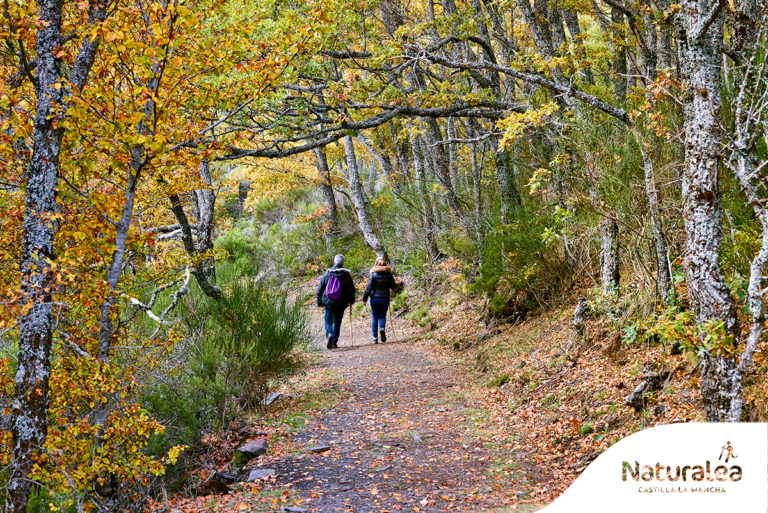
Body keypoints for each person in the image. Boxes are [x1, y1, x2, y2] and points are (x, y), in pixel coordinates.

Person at [317, 254, 356, 349]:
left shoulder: (327, 274)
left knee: (328, 320)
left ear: (334, 262)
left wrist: (319, 302)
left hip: (328, 302)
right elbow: (351, 290)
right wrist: (351, 301)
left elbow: (320, 289)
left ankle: (329, 334)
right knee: (337, 322)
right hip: (341, 303)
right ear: (343, 263)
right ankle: (334, 342)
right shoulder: (346, 275)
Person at [362, 257, 398, 344]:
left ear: (376, 264)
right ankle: (382, 329)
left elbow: (369, 288)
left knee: (375, 317)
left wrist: (364, 298)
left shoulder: (373, 274)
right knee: (382, 316)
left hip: (374, 298)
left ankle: (375, 338)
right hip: (385, 298)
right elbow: (393, 287)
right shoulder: (389, 274)